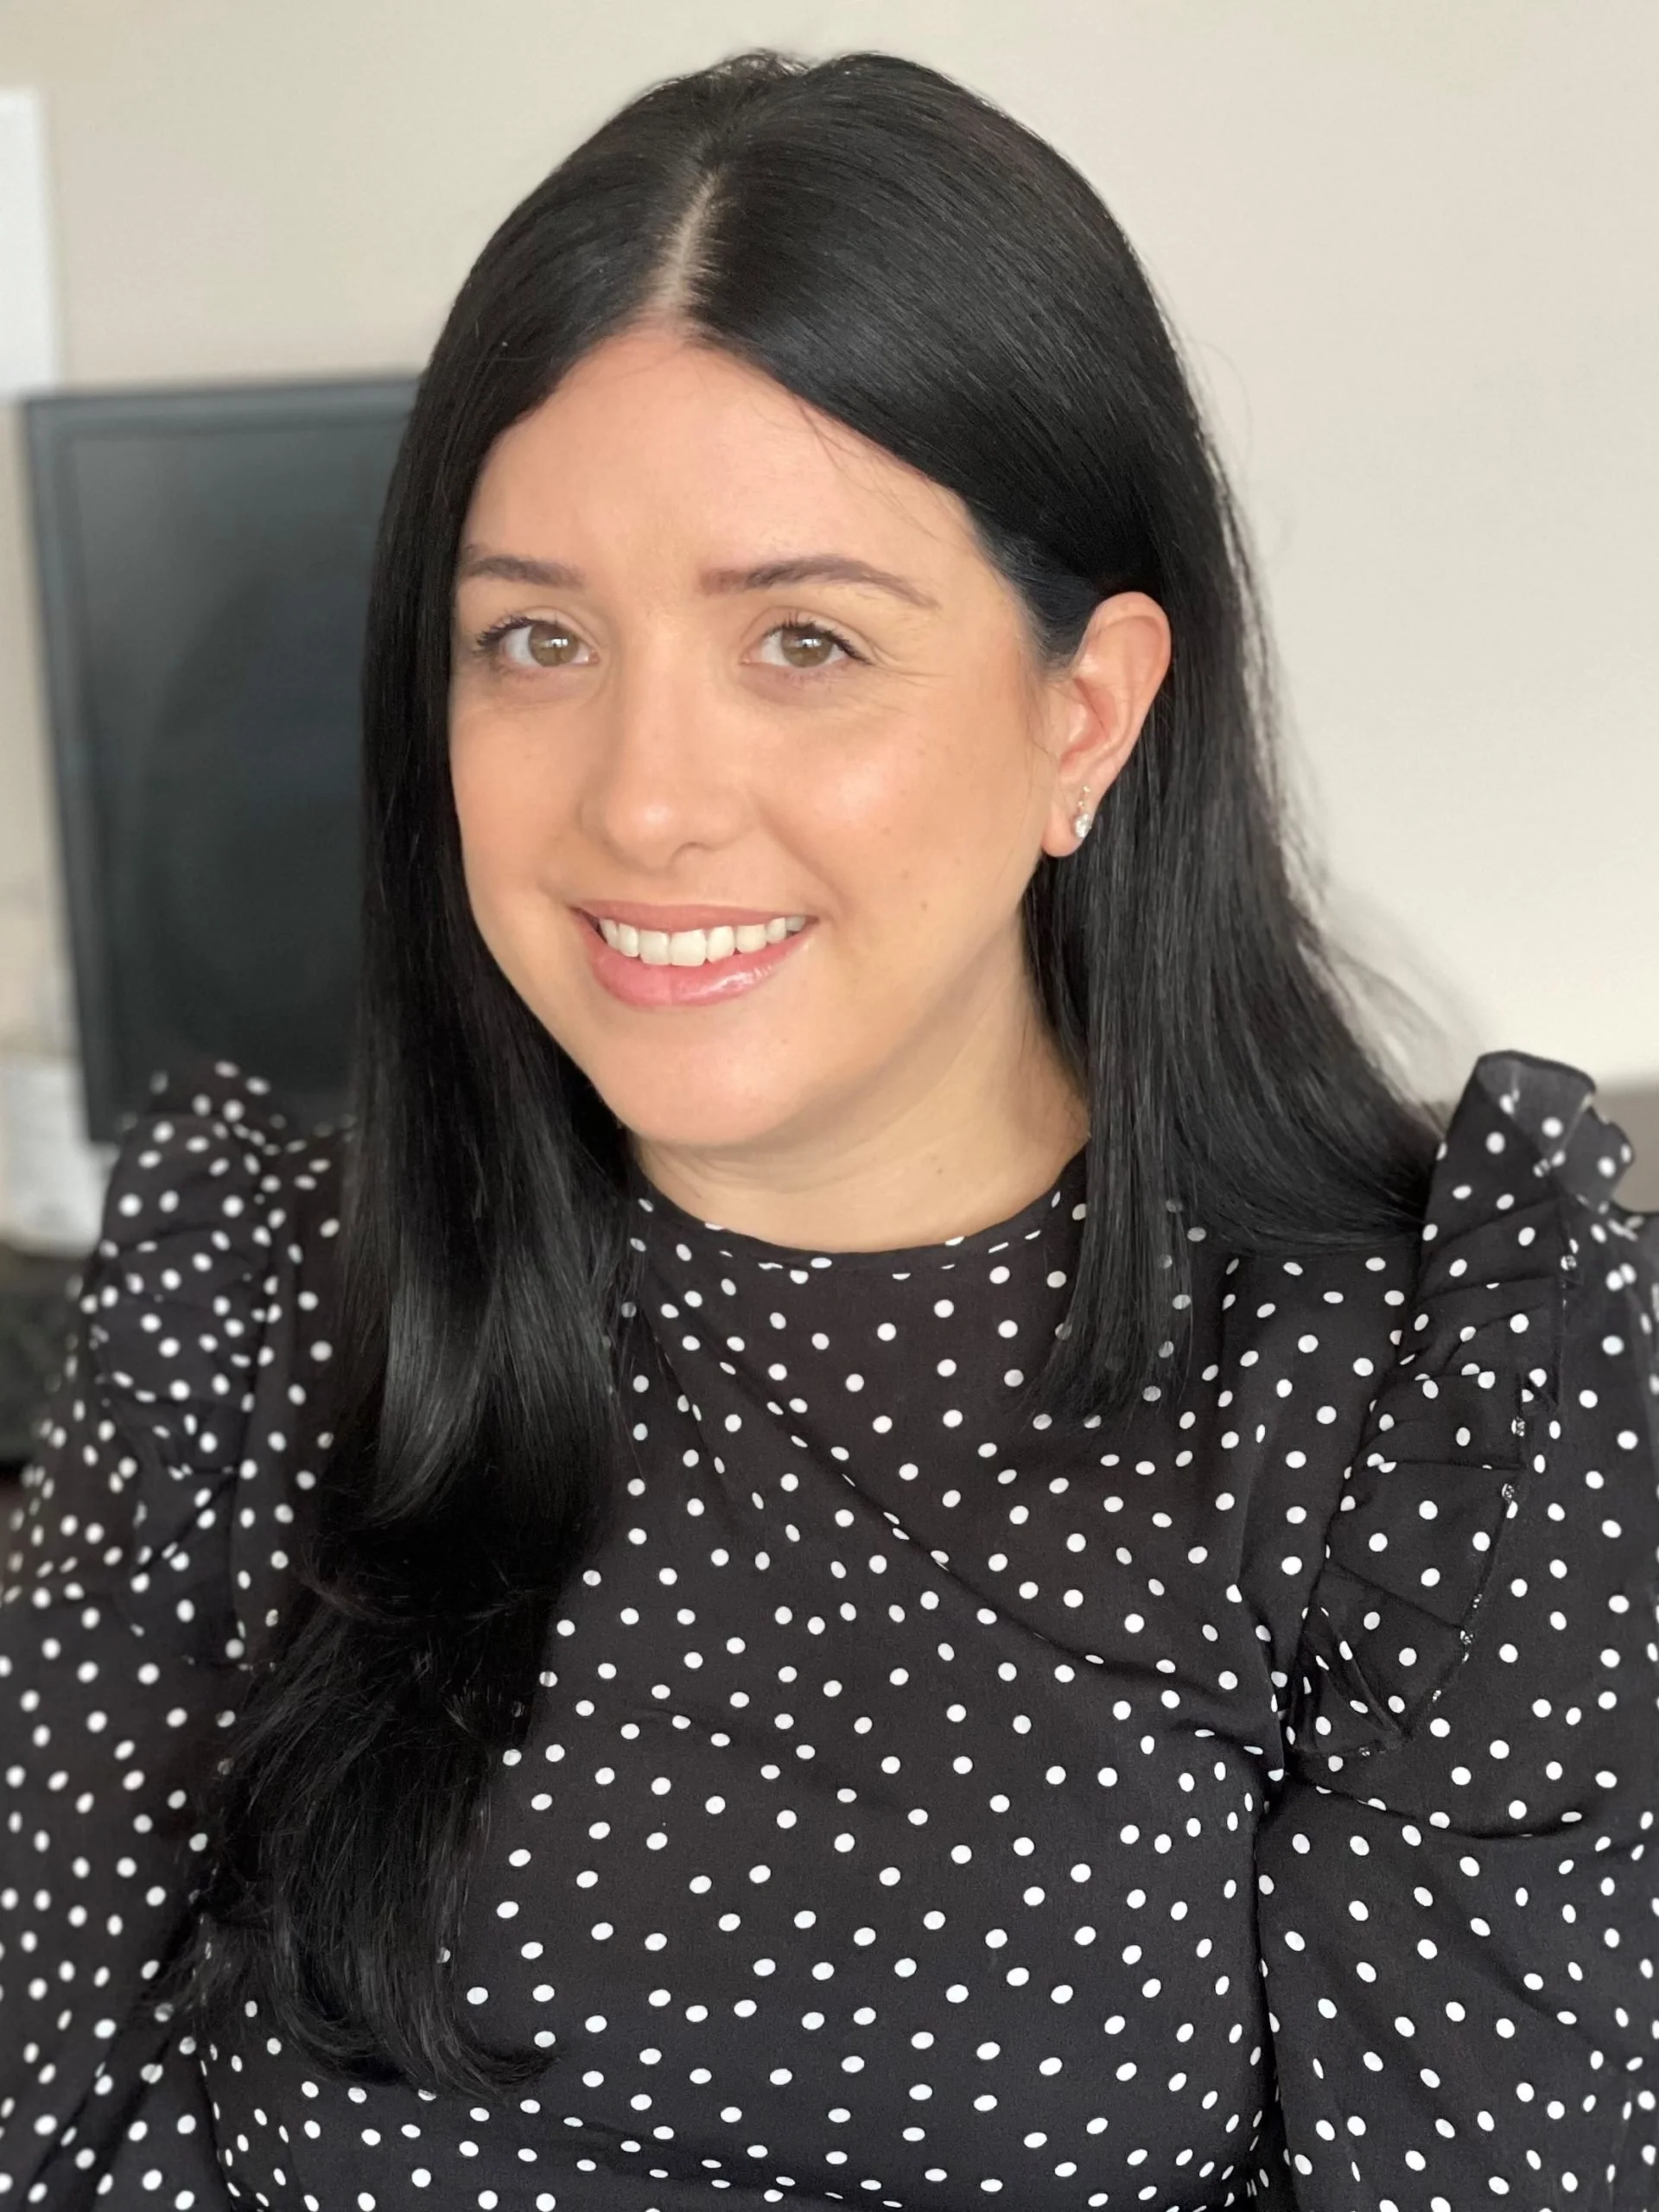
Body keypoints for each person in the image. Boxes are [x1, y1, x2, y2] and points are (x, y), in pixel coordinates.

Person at [3, 45, 1655, 2212]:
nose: (641, 801)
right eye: (535, 637)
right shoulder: (254, 1302)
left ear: (1086, 714)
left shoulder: (1428, 1401)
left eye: (803, 638)